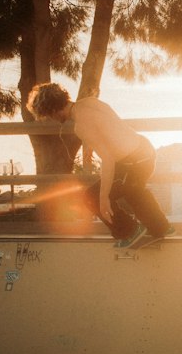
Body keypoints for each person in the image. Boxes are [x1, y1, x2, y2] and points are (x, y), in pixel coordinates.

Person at [27, 83, 174, 248]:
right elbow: (107, 125)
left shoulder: (81, 126)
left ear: (53, 111)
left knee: (92, 197)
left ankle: (130, 232)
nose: (51, 119)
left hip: (134, 163)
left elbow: (108, 160)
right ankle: (161, 226)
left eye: (48, 115)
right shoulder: (89, 102)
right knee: (131, 188)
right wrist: (90, 144)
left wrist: (103, 199)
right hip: (144, 151)